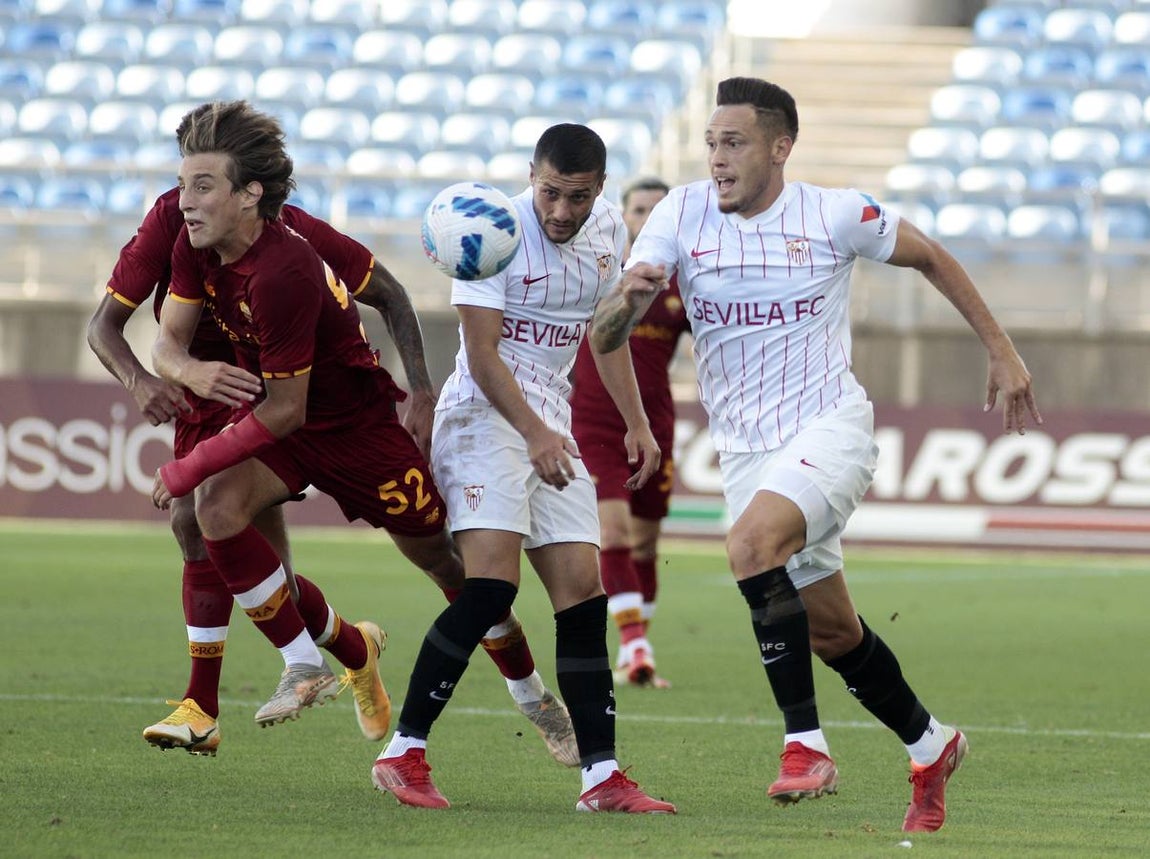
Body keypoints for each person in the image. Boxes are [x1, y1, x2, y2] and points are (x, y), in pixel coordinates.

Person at [591, 77, 1042, 833]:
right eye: (710, 144)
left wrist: (1001, 349)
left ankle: (805, 743)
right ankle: (931, 744)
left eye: (734, 143)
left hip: (830, 426)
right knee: (832, 632)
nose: (717, 159)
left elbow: (932, 257)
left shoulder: (834, 213)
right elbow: (608, 335)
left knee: (749, 546)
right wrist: (623, 303)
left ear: (780, 147)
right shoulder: (679, 214)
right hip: (746, 452)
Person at [138, 100, 576, 766]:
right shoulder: (193, 241)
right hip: (283, 417)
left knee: (446, 565)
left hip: (355, 431)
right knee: (214, 510)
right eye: (182, 185)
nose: (184, 202)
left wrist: (420, 391)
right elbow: (167, 342)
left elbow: (381, 305)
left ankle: (533, 694)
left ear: (249, 194)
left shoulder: (288, 262)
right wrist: (191, 372)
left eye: (201, 186)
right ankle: (302, 662)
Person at [371, 124, 676, 814]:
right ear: (530, 177)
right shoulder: (489, 231)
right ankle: (402, 753)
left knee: (583, 595)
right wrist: (534, 432)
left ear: (601, 190)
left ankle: (601, 779)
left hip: (550, 420)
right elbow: (482, 354)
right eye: (550, 193)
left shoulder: (609, 231)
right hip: (484, 417)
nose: (562, 211)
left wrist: (636, 421)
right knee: (489, 588)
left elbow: (605, 337)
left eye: (577, 197)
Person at [570, 177, 690, 688]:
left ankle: (633, 648)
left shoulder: (681, 288)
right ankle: (636, 646)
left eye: (657, 210)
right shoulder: (595, 273)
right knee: (613, 533)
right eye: (639, 209)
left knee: (645, 543)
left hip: (654, 423)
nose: (647, 218)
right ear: (624, 217)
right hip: (594, 421)